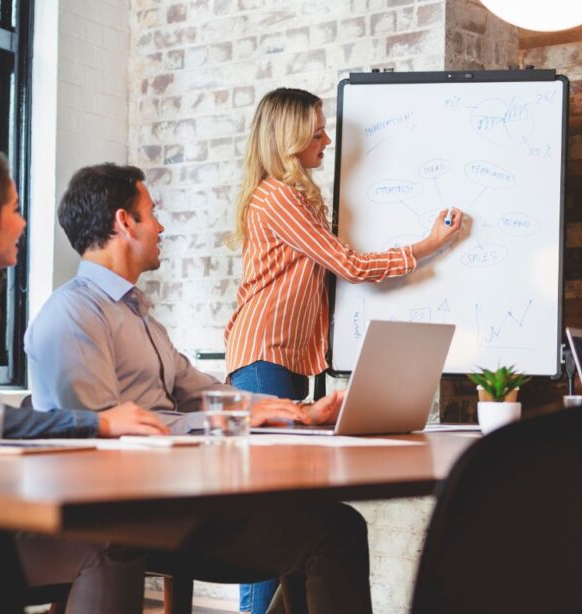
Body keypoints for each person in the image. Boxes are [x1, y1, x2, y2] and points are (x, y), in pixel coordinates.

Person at [25, 162, 372, 613]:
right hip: (128, 516)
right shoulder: (72, 315)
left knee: (334, 525)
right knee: (329, 529)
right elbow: (103, 436)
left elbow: (196, 387)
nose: (161, 226)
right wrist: (230, 419)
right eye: (152, 213)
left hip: (169, 503)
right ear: (123, 222)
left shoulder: (134, 314)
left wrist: (296, 411)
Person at [223, 87, 463, 613]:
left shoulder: (289, 196)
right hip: (264, 357)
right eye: (317, 131)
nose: (326, 140)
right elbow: (349, 265)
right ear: (290, 138)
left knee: (289, 513)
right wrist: (429, 245)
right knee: (275, 515)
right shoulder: (279, 198)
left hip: (278, 358)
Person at [0, 149, 163, 613]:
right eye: (14, 210)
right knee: (104, 544)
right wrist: (99, 424)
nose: (24, 225)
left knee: (110, 543)